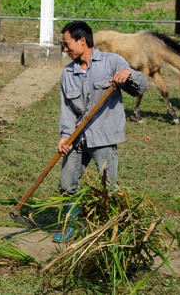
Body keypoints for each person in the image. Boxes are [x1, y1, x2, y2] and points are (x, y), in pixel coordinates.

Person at [54, 21, 148, 242]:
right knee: (67, 184)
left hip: (103, 137)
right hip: (76, 138)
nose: (65, 49)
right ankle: (71, 227)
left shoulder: (112, 62)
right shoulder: (68, 72)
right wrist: (64, 136)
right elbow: (66, 108)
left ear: (82, 41)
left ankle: (113, 230)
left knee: (110, 186)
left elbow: (140, 86)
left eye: (67, 44)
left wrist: (128, 74)